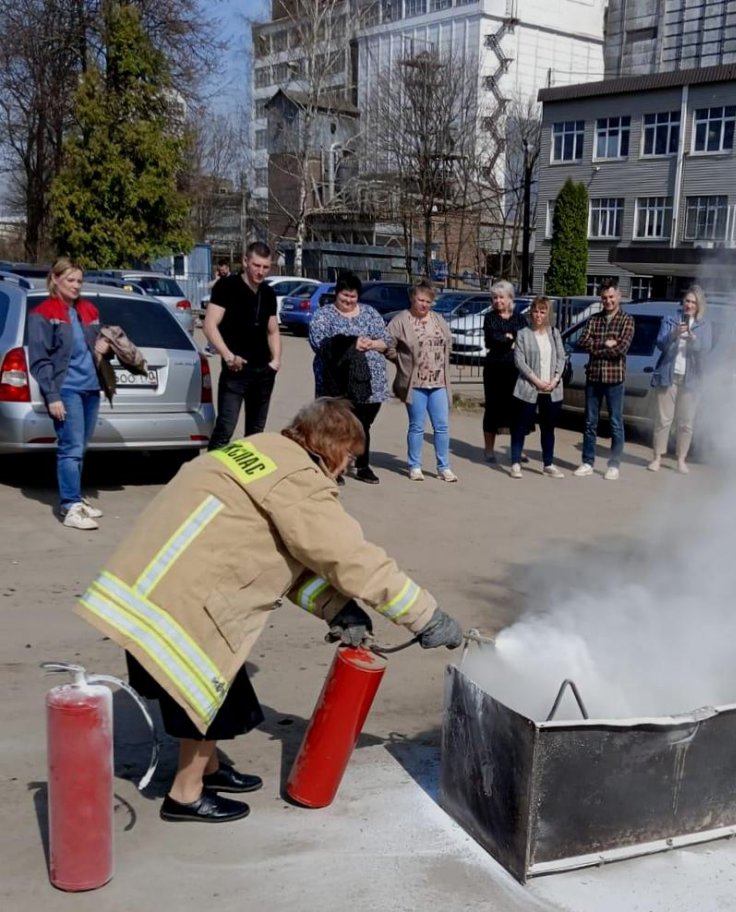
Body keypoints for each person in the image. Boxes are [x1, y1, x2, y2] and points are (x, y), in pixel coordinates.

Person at [74, 398, 464, 824]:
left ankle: (210, 769)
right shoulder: (299, 481)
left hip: (151, 584)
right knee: (206, 693)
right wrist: (425, 615)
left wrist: (338, 609)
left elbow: (284, 559)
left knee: (224, 682)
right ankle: (185, 795)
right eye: (349, 457)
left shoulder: (261, 449)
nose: (348, 467)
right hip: (184, 599)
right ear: (331, 449)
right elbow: (352, 559)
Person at [27, 258, 111, 530]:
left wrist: (102, 346)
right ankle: (70, 507)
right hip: (67, 390)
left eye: (79, 281)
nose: (76, 286)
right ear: (55, 279)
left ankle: (76, 499)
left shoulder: (88, 309)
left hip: (90, 388)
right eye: (70, 280)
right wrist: (53, 396)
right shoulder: (43, 313)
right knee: (70, 448)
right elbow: (40, 360)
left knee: (81, 448)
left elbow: (95, 346)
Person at [308, 272, 392, 485]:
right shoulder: (324, 315)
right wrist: (351, 344)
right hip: (336, 380)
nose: (348, 300)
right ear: (337, 294)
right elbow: (319, 342)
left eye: (353, 296)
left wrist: (370, 344)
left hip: (368, 381)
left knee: (363, 424)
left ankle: (362, 465)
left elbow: (386, 341)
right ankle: (332, 466)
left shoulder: (370, 313)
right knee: (336, 424)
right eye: (345, 295)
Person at [203, 241, 281, 450]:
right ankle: (212, 477)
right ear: (245, 261)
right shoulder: (226, 287)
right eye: (256, 265)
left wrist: (276, 361)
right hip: (235, 371)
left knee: (255, 434)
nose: (260, 271)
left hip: (263, 372)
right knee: (225, 429)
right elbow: (209, 325)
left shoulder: (268, 293)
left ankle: (246, 480)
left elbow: (273, 330)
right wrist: (228, 355)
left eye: (265, 267)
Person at [386, 280, 457, 483]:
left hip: (439, 382)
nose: (424, 304)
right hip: (415, 383)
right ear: (412, 298)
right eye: (420, 300)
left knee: (442, 426)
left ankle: (444, 467)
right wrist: (401, 361)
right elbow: (388, 344)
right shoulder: (401, 320)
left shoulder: (438, 319)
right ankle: (414, 466)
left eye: (428, 301)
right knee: (417, 425)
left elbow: (448, 342)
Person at [648, 285, 714, 474]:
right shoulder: (670, 319)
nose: (689, 305)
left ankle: (681, 459)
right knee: (663, 420)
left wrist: (693, 339)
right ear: (682, 302)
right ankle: (657, 457)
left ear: (699, 305)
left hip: (691, 379)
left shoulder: (704, 325)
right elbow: (660, 343)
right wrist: (674, 334)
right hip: (668, 374)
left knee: (686, 423)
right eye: (687, 301)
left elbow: (705, 350)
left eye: (693, 302)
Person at [573, 280, 634, 481]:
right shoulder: (594, 319)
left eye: (611, 297)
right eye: (604, 298)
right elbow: (582, 341)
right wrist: (604, 344)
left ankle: (614, 464)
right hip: (594, 376)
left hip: (615, 379)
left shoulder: (627, 320)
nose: (608, 301)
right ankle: (588, 462)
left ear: (619, 296)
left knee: (616, 422)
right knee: (590, 422)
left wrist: (598, 347)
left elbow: (621, 349)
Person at [509, 296, 566, 479]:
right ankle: (516, 462)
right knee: (521, 425)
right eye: (535, 311)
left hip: (551, 389)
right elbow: (520, 361)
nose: (538, 315)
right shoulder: (523, 333)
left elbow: (561, 357)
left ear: (548, 314)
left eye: (542, 312)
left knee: (548, 427)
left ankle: (548, 463)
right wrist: (536, 381)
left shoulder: (554, 333)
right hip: (529, 387)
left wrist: (556, 378)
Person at [481, 280, 527, 463]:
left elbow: (524, 340)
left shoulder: (520, 318)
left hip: (516, 370)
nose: (497, 301)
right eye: (494, 297)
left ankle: (517, 449)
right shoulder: (490, 317)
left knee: (518, 409)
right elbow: (492, 339)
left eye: (501, 297)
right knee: (493, 408)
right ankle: (489, 449)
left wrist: (509, 338)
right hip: (495, 368)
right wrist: (509, 339)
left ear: (510, 298)